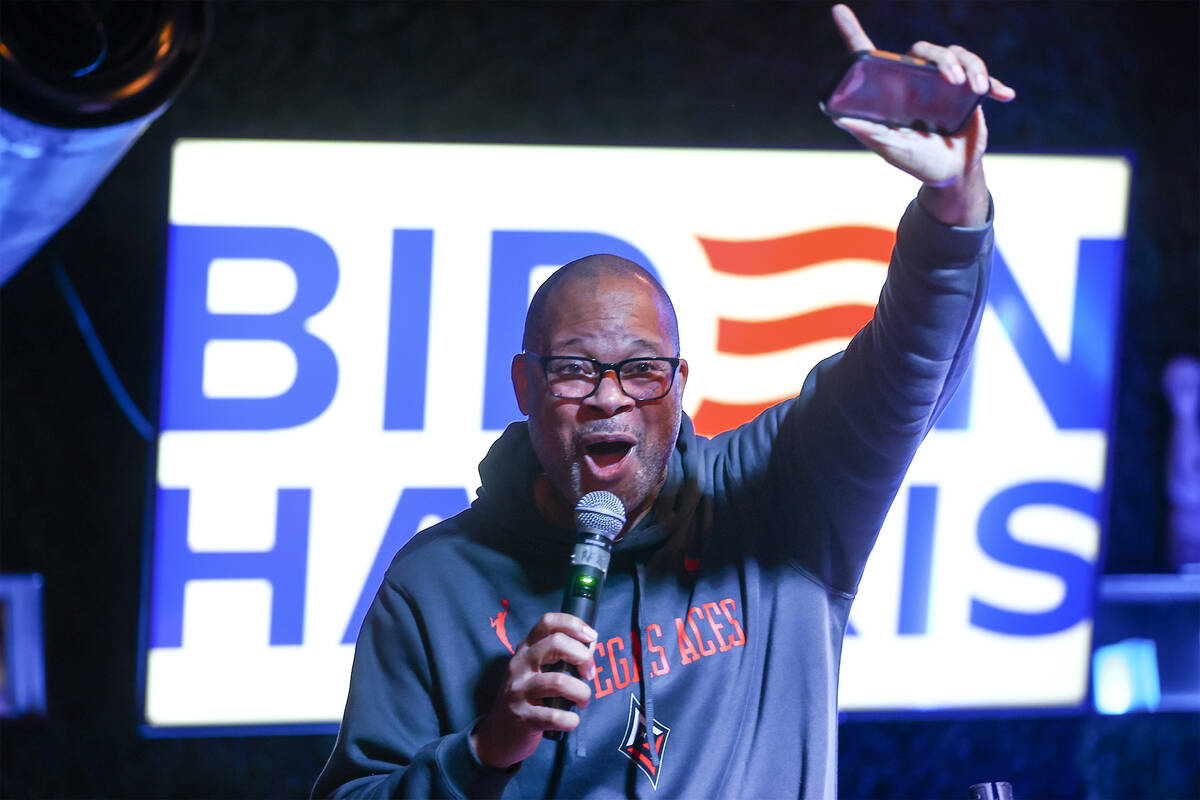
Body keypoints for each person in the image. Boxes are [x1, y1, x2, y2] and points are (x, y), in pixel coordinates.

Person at [314, 5, 1015, 798]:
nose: (609, 400)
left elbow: (906, 370)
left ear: (680, 385)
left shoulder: (780, 497)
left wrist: (954, 202)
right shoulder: (434, 585)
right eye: (575, 370)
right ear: (525, 387)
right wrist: (486, 748)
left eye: (641, 369)